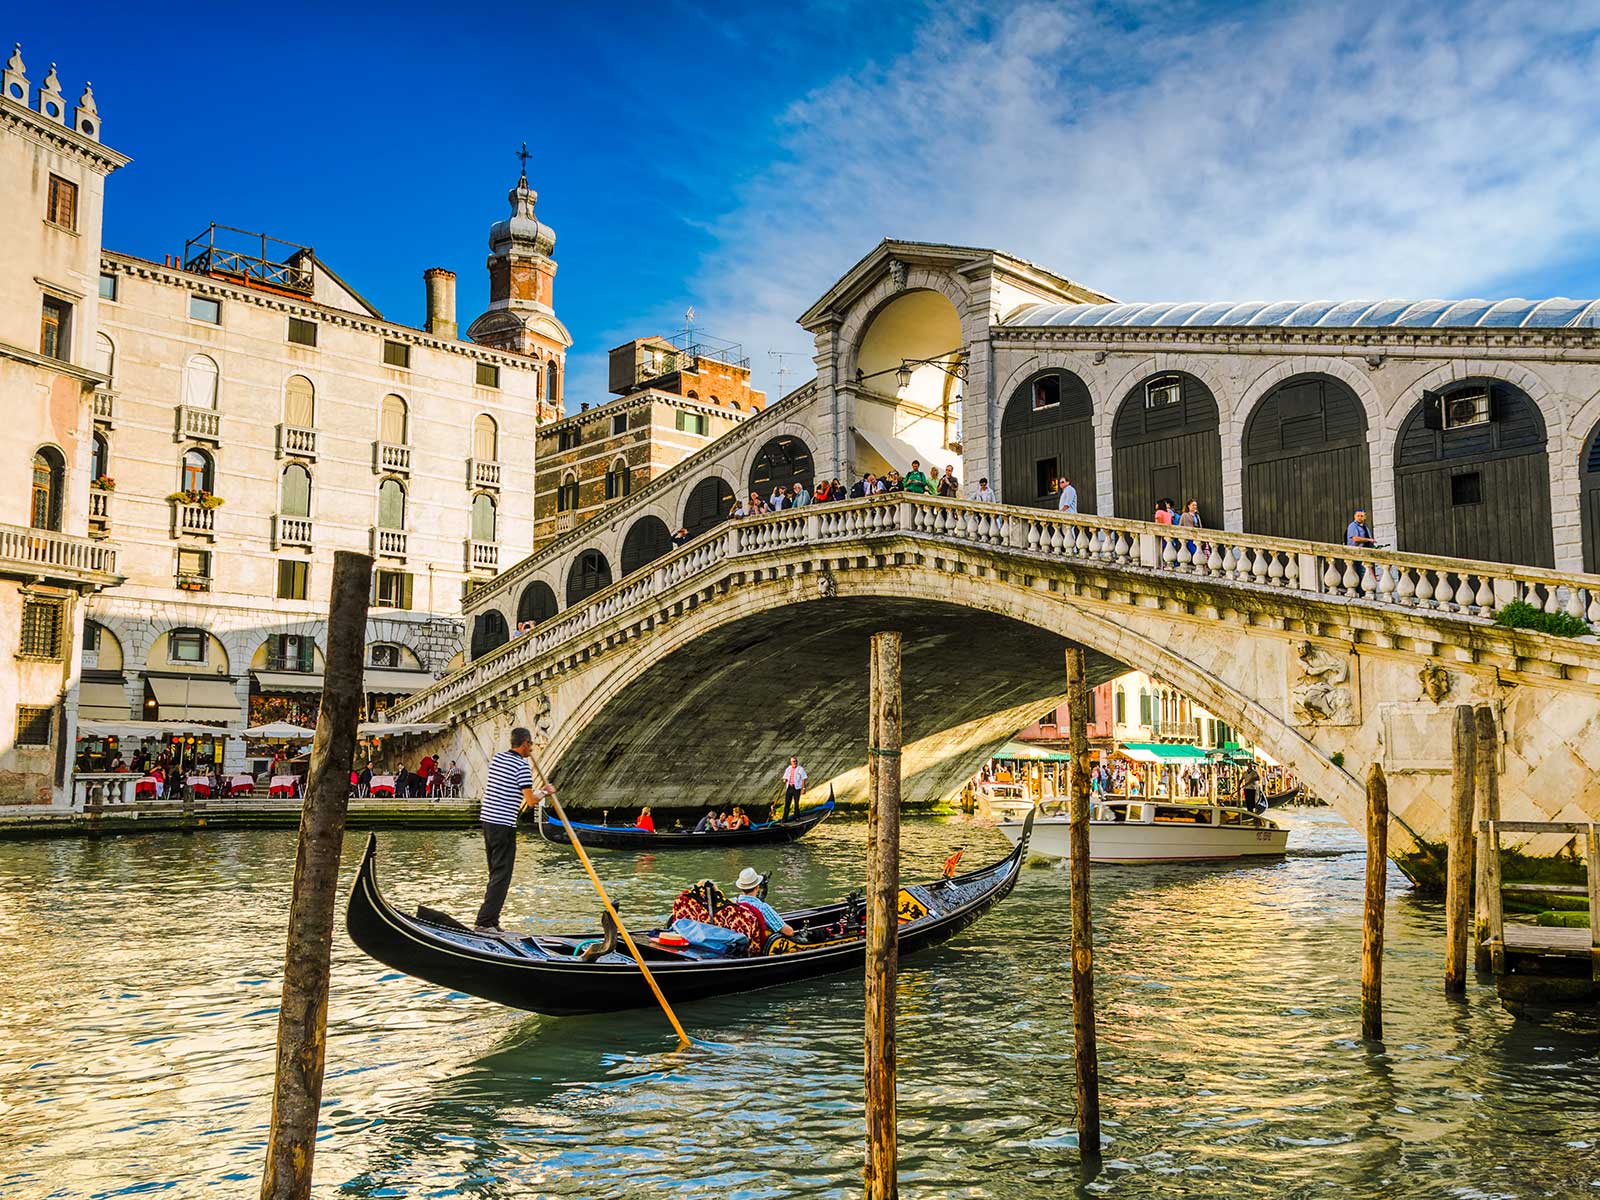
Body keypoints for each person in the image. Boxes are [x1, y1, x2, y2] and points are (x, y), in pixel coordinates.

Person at [475, 726, 551, 933]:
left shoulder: (498, 759)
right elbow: (530, 801)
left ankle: (492, 921)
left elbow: (512, 788)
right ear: (525, 743)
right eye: (531, 745)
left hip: (488, 822)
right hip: (503, 824)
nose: (532, 749)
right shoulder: (522, 766)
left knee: (495, 873)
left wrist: (537, 791)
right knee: (502, 875)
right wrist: (545, 791)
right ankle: (484, 922)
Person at [732, 866, 795, 941]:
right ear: (757, 887)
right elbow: (789, 932)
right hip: (760, 947)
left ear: (741, 887)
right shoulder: (761, 907)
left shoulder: (734, 903)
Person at [781, 754, 808, 820]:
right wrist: (785, 779)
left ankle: (797, 817)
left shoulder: (800, 769)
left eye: (796, 761)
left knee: (796, 803)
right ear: (791, 762)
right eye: (793, 761)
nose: (795, 762)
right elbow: (785, 777)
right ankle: (784, 818)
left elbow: (804, 778)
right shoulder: (788, 769)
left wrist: (804, 788)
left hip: (797, 788)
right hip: (789, 787)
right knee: (787, 803)